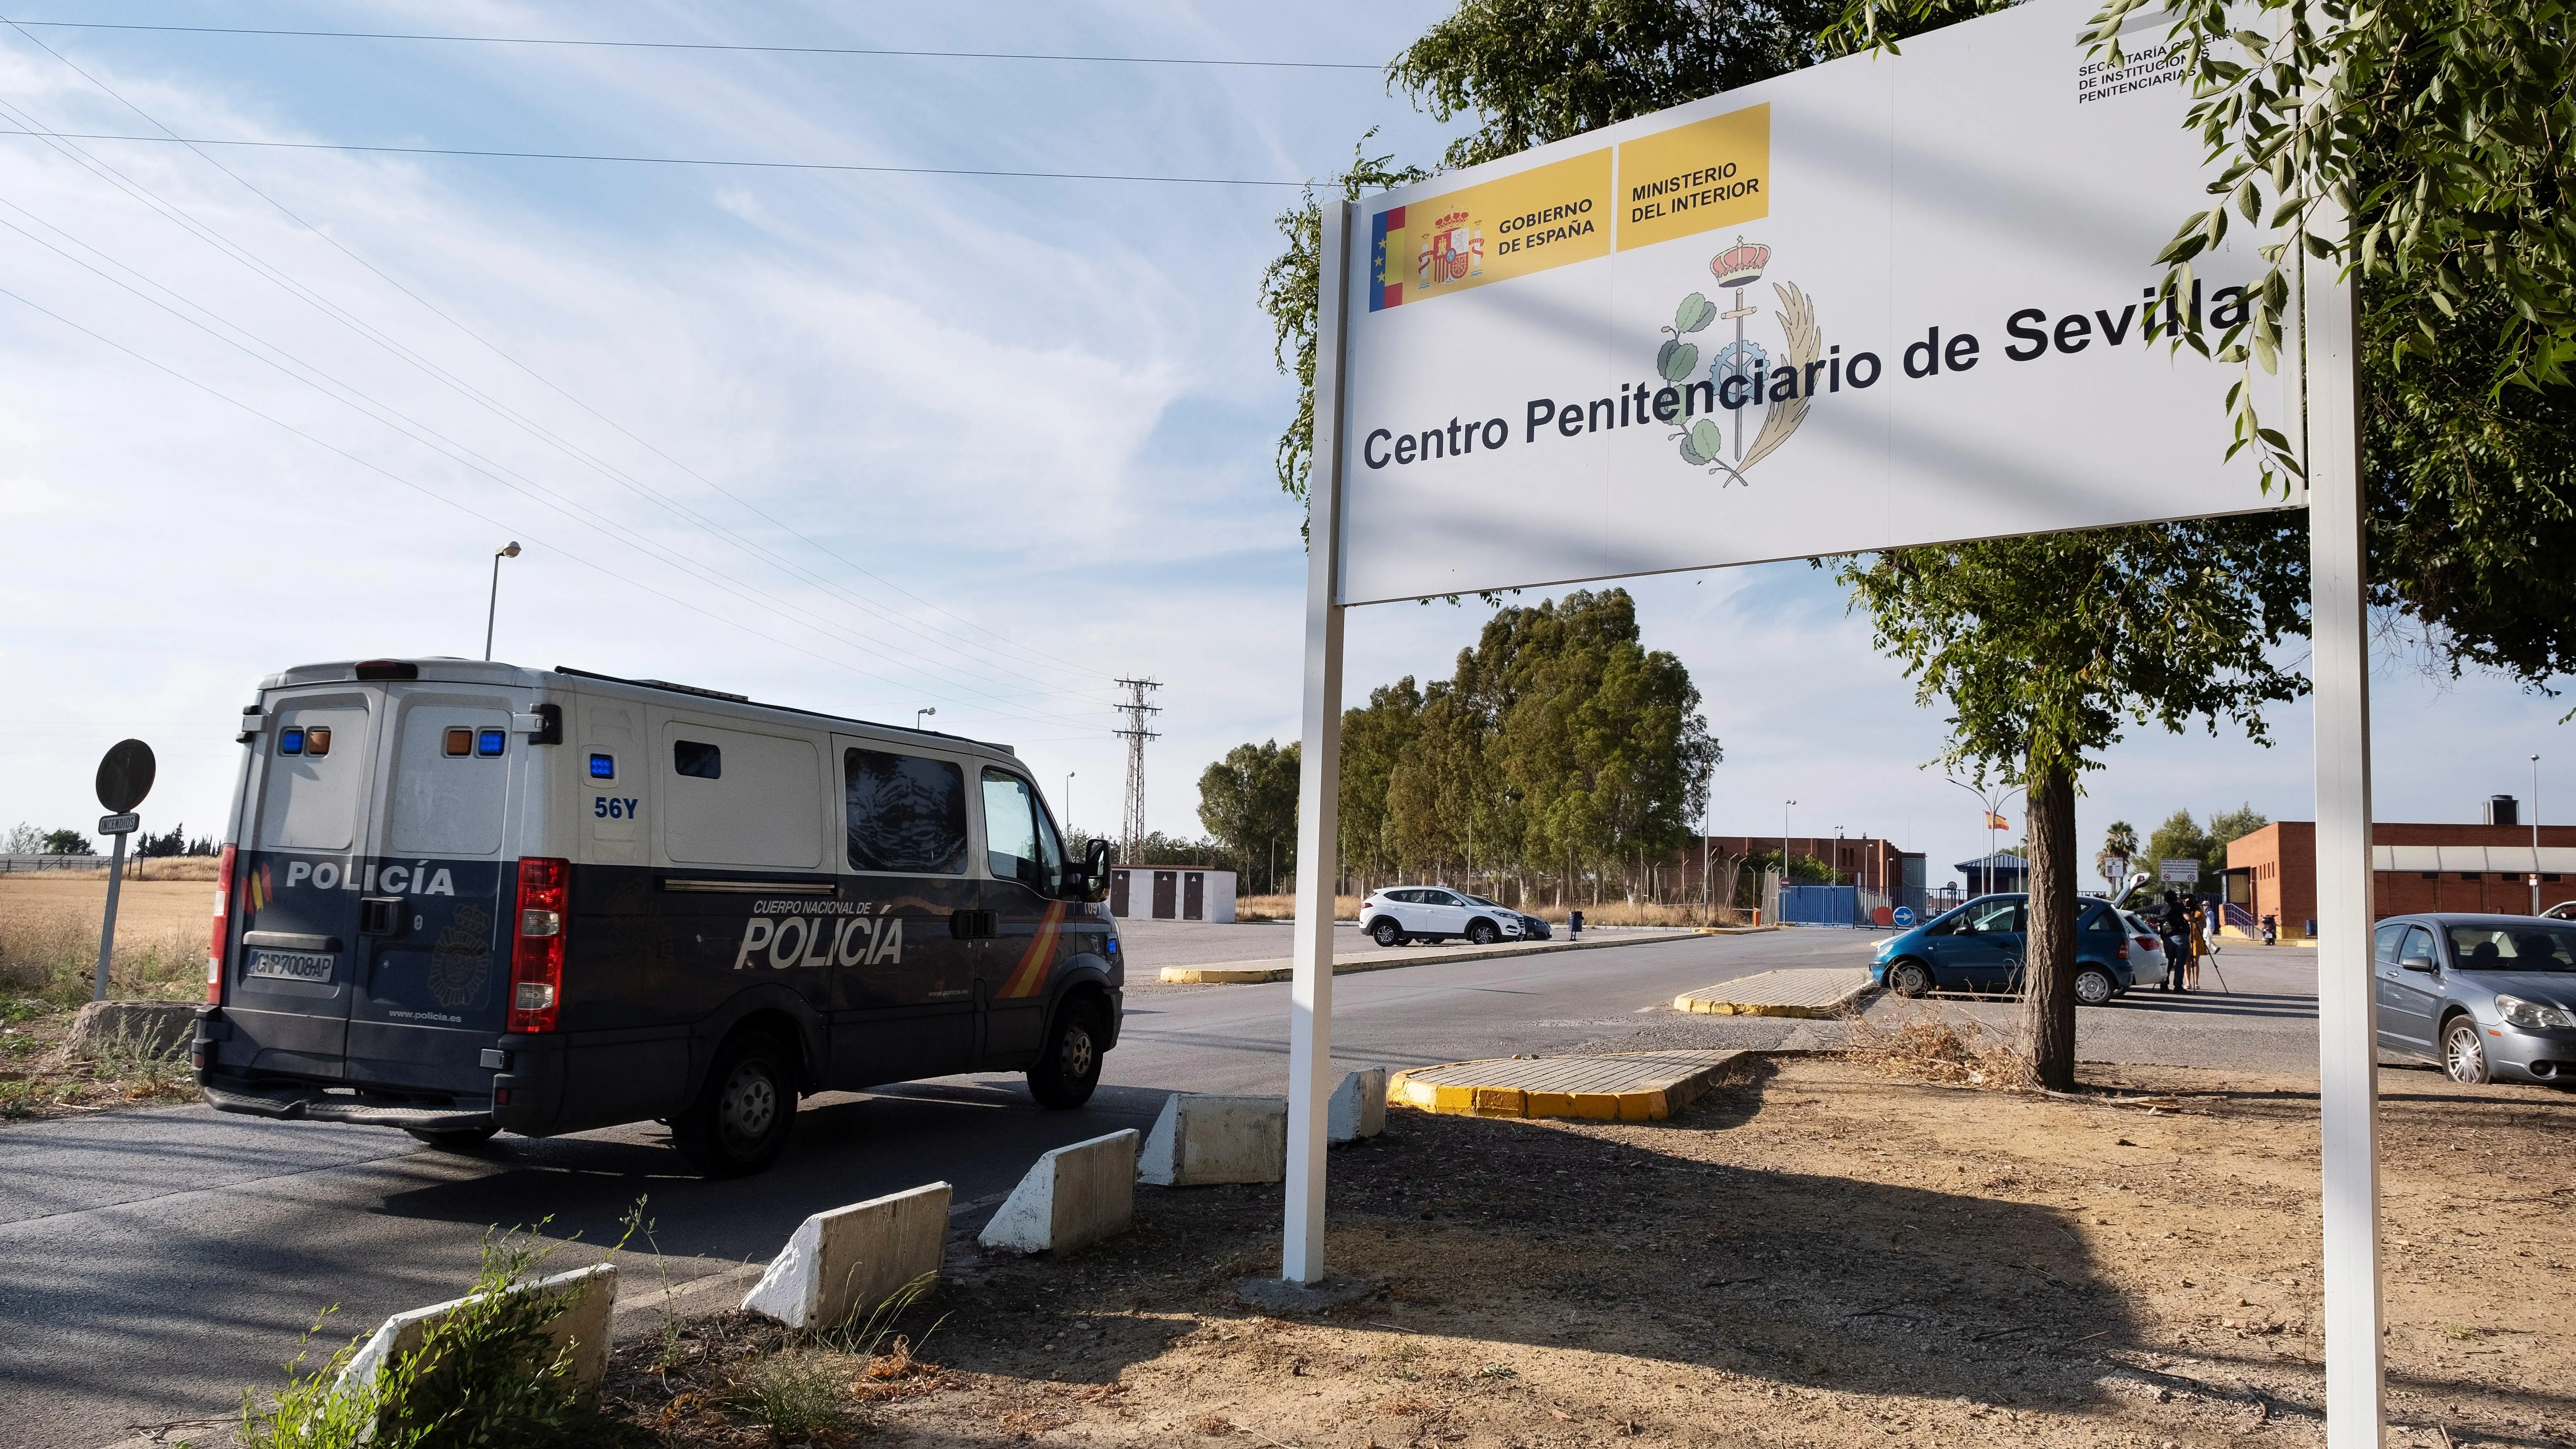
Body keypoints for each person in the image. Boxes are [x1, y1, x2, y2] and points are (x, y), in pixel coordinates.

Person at [2186, 900, 2210, 991]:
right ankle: (2188, 983)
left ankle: (2196, 983)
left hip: (2196, 939)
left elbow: (2204, 925)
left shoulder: (2199, 913)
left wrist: (2195, 920)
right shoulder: (2185, 913)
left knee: (2195, 962)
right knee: (2187, 962)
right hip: (2187, 939)